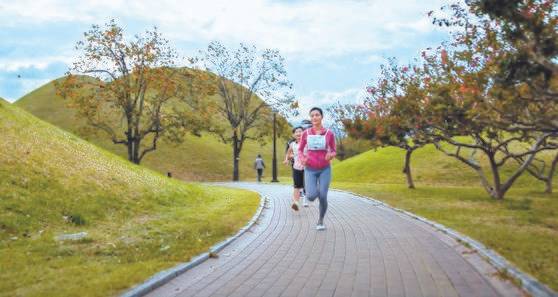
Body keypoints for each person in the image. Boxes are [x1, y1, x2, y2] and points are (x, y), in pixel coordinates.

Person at [298, 107, 336, 230]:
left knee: (323, 196)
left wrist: (330, 155)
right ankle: (316, 190)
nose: (315, 117)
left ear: (321, 117)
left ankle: (320, 221)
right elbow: (299, 150)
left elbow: (334, 150)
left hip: (325, 169)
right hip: (310, 169)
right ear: (311, 118)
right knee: (311, 196)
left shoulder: (329, 133)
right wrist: (302, 158)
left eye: (317, 115)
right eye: (312, 115)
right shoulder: (306, 133)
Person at [284, 126, 307, 211]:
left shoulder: (307, 142)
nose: (298, 133)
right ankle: (296, 203)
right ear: (294, 135)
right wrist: (287, 159)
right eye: (296, 132)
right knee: (296, 186)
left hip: (307, 168)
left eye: (300, 131)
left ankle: (305, 198)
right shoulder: (292, 144)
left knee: (306, 185)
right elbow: (288, 152)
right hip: (296, 167)